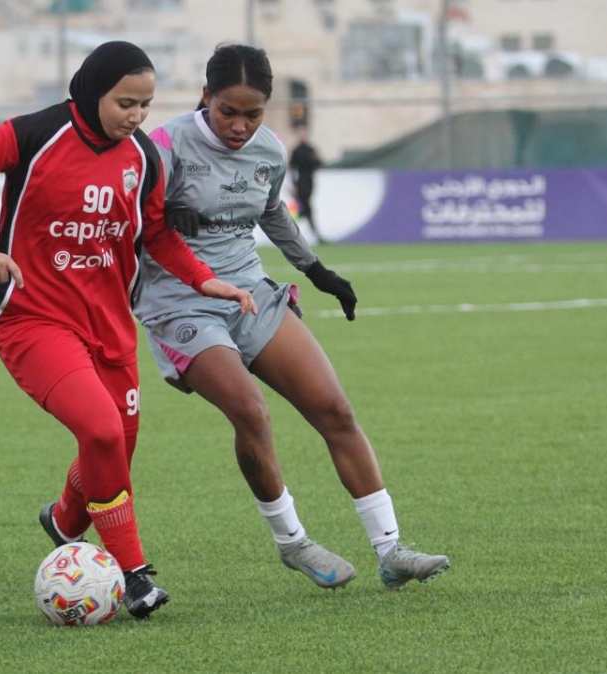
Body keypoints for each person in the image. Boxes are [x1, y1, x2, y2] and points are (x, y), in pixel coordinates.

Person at [0, 41, 257, 619]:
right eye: (125, 103)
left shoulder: (144, 159)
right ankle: (134, 574)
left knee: (117, 445)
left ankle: (64, 521)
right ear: (92, 91)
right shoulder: (33, 134)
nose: (136, 116)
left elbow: (157, 235)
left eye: (146, 105)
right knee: (102, 431)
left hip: (108, 324)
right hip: (32, 318)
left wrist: (206, 281)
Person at [138, 44, 449, 591]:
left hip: (249, 294)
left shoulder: (269, 151)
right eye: (227, 111)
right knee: (251, 412)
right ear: (205, 97)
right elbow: (127, 218)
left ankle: (391, 550)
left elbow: (271, 210)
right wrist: (156, 223)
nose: (239, 126)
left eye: (253, 114)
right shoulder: (163, 146)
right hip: (178, 302)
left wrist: (316, 269)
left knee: (335, 409)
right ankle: (293, 542)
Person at [288, 124, 325, 244]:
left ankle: (290, 229)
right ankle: (315, 235)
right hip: (300, 182)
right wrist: (294, 185)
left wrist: (317, 159)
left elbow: (318, 164)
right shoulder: (296, 151)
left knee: (304, 209)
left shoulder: (311, 149)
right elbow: (292, 168)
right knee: (305, 208)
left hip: (309, 182)